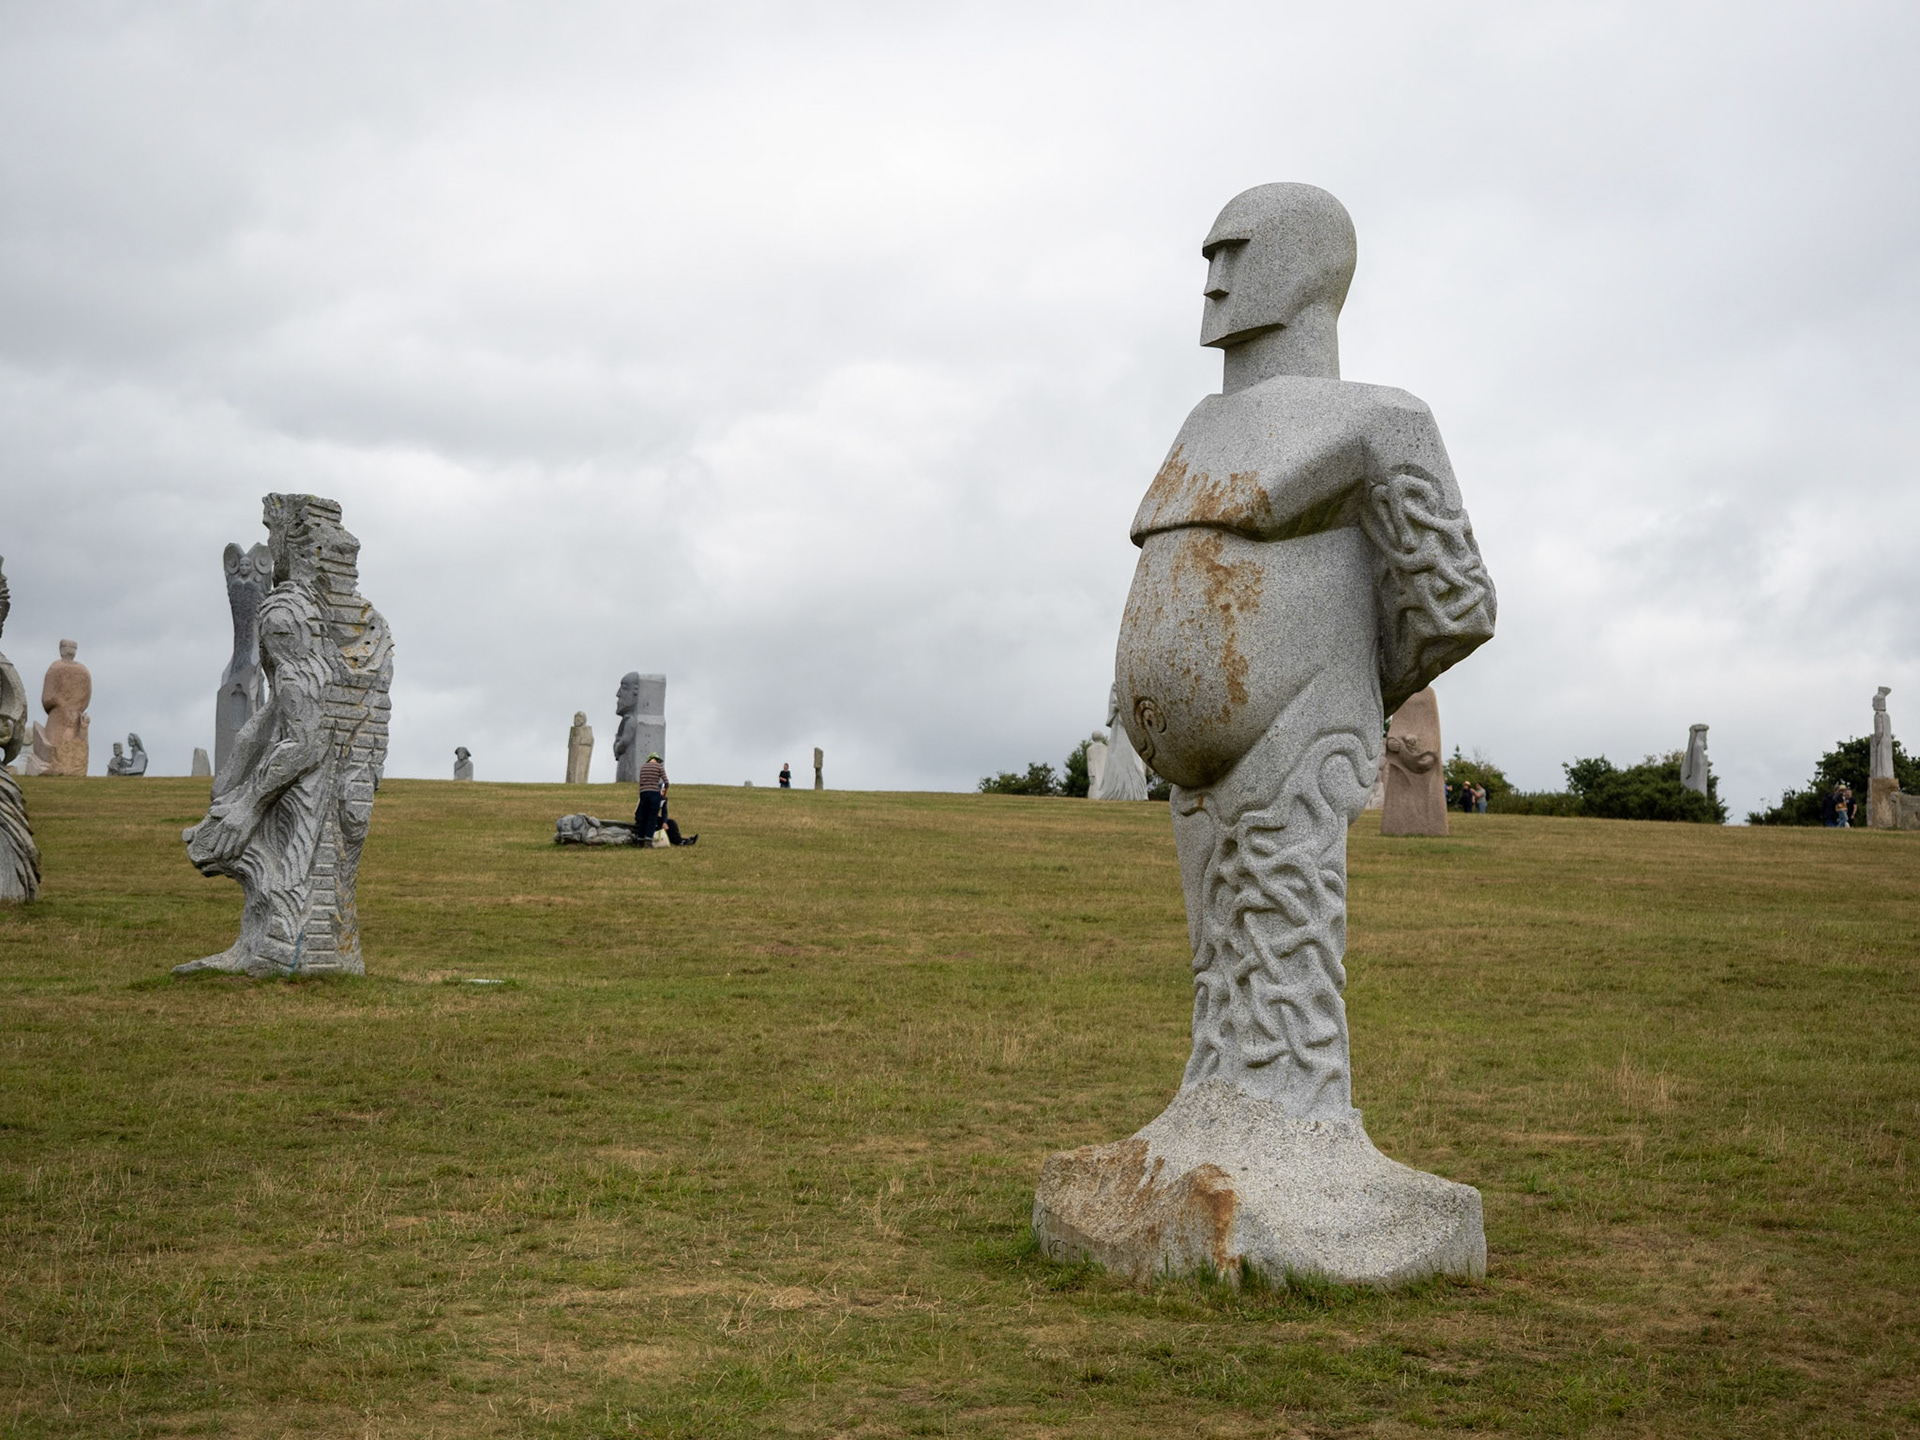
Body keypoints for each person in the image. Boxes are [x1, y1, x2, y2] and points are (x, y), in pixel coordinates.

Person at [633, 752, 698, 847]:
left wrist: (664, 822)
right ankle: (648, 842)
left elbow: (664, 811)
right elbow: (666, 781)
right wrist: (665, 786)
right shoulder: (659, 768)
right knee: (651, 819)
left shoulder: (643, 768)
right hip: (647, 816)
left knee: (670, 823)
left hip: (644, 795)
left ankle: (680, 841)